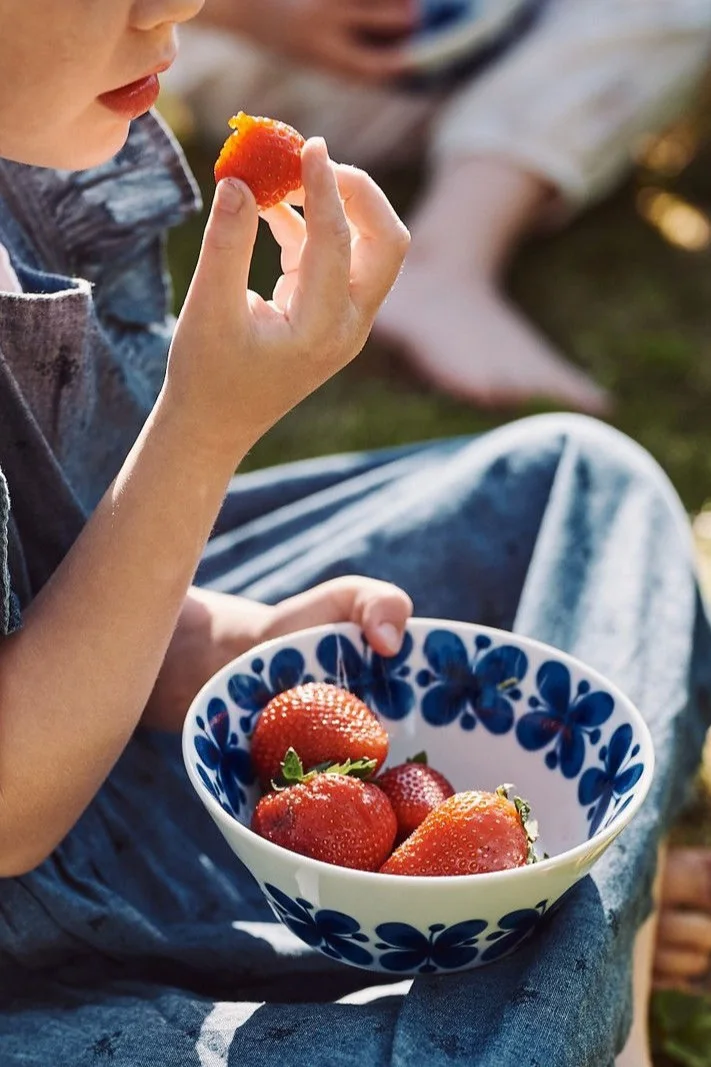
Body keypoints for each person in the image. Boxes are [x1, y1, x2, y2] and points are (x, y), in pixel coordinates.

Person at [0, 2, 709, 1066]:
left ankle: (542, 962)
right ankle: (570, 959)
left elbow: (56, 565)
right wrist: (203, 428)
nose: (180, 5)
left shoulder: (32, 161)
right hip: (28, 903)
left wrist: (230, 643)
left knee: (577, 483)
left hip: (102, 737)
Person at [166, 0, 711, 413]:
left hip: (502, 37)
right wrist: (259, 13)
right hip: (287, 56)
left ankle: (447, 256)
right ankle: (442, 261)